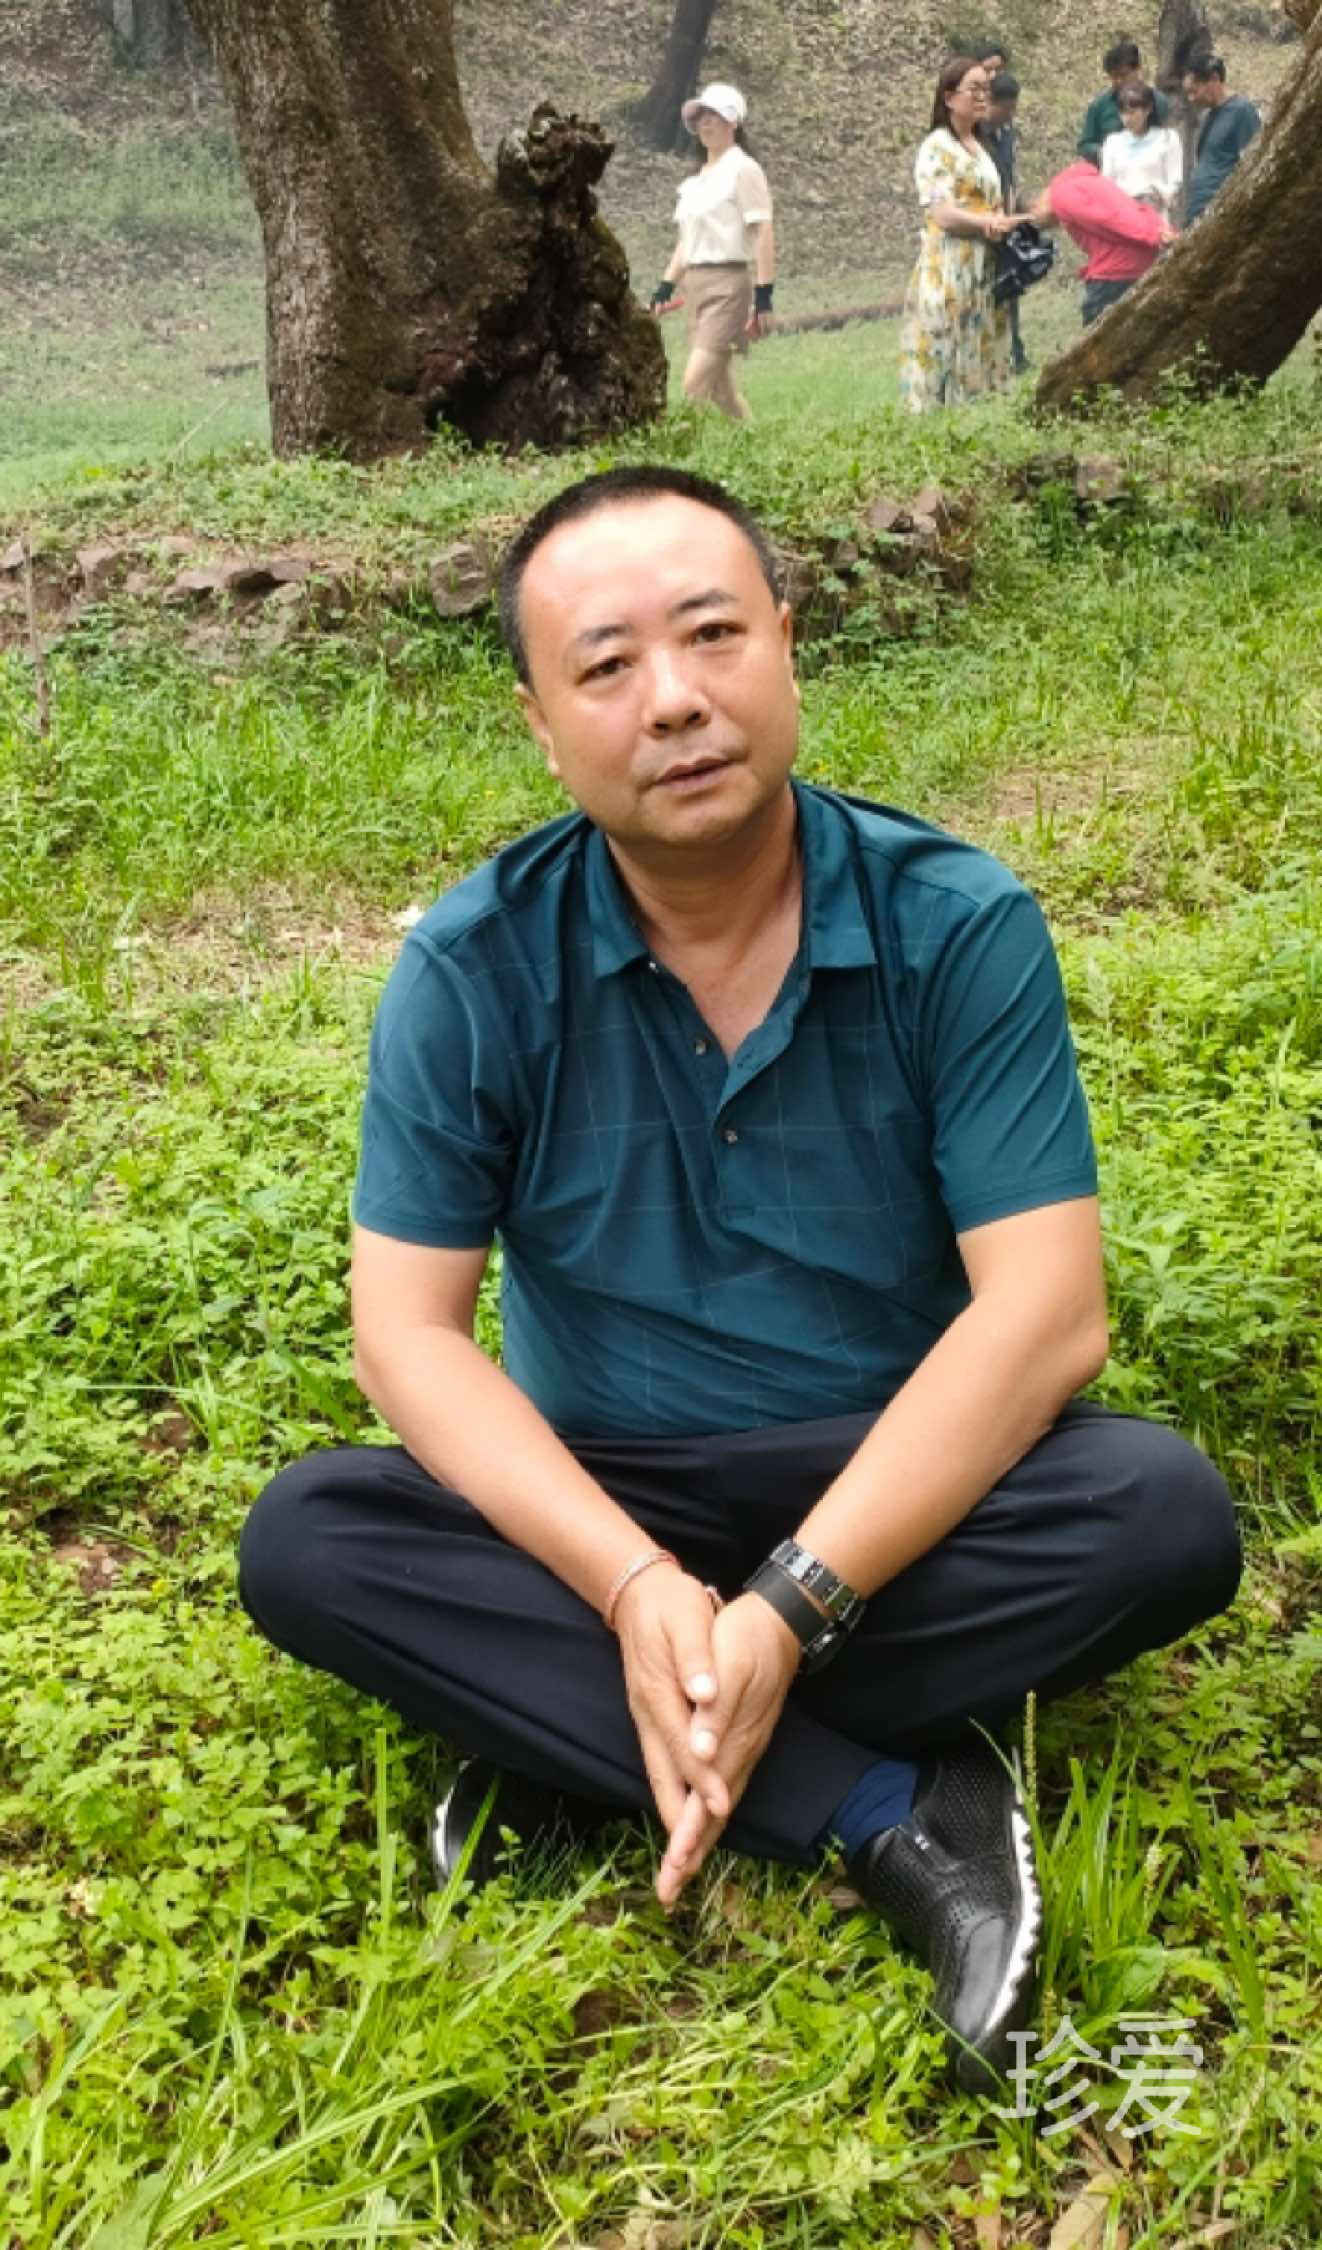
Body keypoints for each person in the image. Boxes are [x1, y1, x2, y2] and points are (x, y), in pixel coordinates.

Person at [237, 464, 1241, 2095]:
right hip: (604, 1503)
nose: (676, 700)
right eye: (606, 667)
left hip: (891, 1490)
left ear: (787, 644)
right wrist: (641, 1589)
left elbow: (1047, 1313)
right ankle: (893, 1813)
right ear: (539, 724)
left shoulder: (956, 925)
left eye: (712, 636)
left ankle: (560, 1742)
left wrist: (792, 1601)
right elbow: (408, 1341)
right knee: (309, 1542)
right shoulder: (475, 965)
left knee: (1161, 1516)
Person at [648, 83, 776, 424]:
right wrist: (666, 286)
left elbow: (762, 229)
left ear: (733, 122)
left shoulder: (743, 169)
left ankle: (685, 458)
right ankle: (754, 439)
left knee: (694, 384)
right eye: (702, 115)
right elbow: (685, 241)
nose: (707, 123)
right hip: (696, 284)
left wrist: (764, 296)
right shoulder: (698, 180)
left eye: (716, 115)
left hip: (728, 285)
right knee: (721, 390)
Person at [900, 58, 1017, 414]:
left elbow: (993, 202)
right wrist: (984, 224)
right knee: (944, 353)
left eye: (986, 89)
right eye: (974, 89)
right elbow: (943, 214)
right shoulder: (936, 148)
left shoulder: (983, 148)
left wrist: (1002, 220)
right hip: (949, 268)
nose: (983, 97)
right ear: (950, 98)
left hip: (984, 269)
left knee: (981, 355)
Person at [1030, 160, 1175, 324]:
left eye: (1034, 217)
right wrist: (1157, 228)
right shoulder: (1091, 182)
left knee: (1098, 340)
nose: (1037, 220)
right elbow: (1130, 210)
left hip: (1116, 272)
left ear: (1034, 205)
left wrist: (1151, 234)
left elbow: (1106, 221)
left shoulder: (1062, 196)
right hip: (1139, 262)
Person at [981, 71, 1030, 374]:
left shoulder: (1006, 133)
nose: (1010, 115)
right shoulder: (976, 135)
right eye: (1006, 108)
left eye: (1013, 108)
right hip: (985, 221)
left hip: (1006, 219)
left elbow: (1009, 176)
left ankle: (1015, 351)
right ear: (991, 102)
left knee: (1010, 288)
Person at [1184, 53, 1264, 224]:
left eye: (1194, 90)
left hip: (1220, 212)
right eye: (1188, 93)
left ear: (1214, 78)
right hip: (1197, 211)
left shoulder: (1242, 111)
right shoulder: (1207, 116)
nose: (1192, 98)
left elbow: (1253, 164)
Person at [1079, 39, 1170, 164]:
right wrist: (1103, 152)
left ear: (1137, 70)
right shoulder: (1099, 106)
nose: (1118, 81)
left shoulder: (1159, 101)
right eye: (1114, 76)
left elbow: (1167, 139)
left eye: (1123, 75)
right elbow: (1085, 144)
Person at [1101, 81, 1183, 220]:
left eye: (1132, 112)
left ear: (1148, 109)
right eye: (1123, 113)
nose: (1127, 118)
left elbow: (1175, 180)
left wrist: (1160, 192)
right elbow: (1106, 182)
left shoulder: (1168, 138)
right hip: (1121, 214)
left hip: (1154, 215)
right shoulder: (1113, 142)